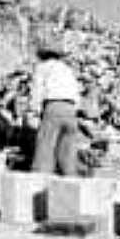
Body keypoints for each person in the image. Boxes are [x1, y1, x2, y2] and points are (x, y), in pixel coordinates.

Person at [28, 36, 81, 175]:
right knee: (67, 153)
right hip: (71, 110)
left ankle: (38, 187)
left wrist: (34, 110)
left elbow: (37, 90)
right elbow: (76, 93)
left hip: (53, 106)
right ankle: (71, 186)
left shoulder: (42, 67)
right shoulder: (67, 69)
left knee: (45, 148)